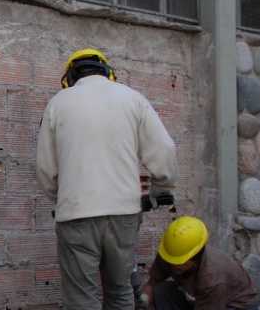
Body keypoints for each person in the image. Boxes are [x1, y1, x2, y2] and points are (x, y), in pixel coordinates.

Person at [37, 48, 178, 309]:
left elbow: (46, 169)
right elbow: (165, 149)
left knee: (82, 298)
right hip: (124, 213)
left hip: (76, 215)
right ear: (107, 72)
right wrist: (161, 189)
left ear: (70, 76)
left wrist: (62, 198)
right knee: (120, 290)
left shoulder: (58, 103)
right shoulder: (133, 99)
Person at [140, 216, 258, 309]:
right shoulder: (171, 251)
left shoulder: (213, 278)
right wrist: (146, 298)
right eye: (171, 261)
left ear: (194, 259)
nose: (174, 265)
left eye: (180, 262)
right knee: (161, 291)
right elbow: (153, 282)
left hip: (235, 305)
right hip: (206, 300)